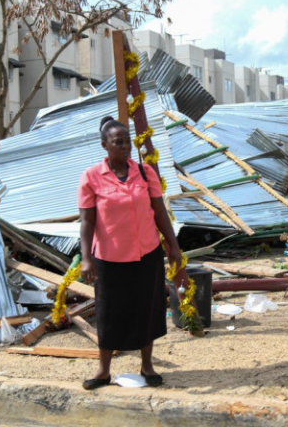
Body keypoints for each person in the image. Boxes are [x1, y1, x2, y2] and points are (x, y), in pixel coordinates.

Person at [78, 116, 185, 390]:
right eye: (118, 142)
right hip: (109, 258)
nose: (125, 147)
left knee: (147, 309)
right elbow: (87, 221)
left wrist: (173, 245)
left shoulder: (145, 172)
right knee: (109, 313)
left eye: (127, 142)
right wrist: (86, 259)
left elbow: (159, 212)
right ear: (105, 145)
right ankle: (103, 371)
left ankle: (147, 366)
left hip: (146, 253)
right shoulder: (91, 177)